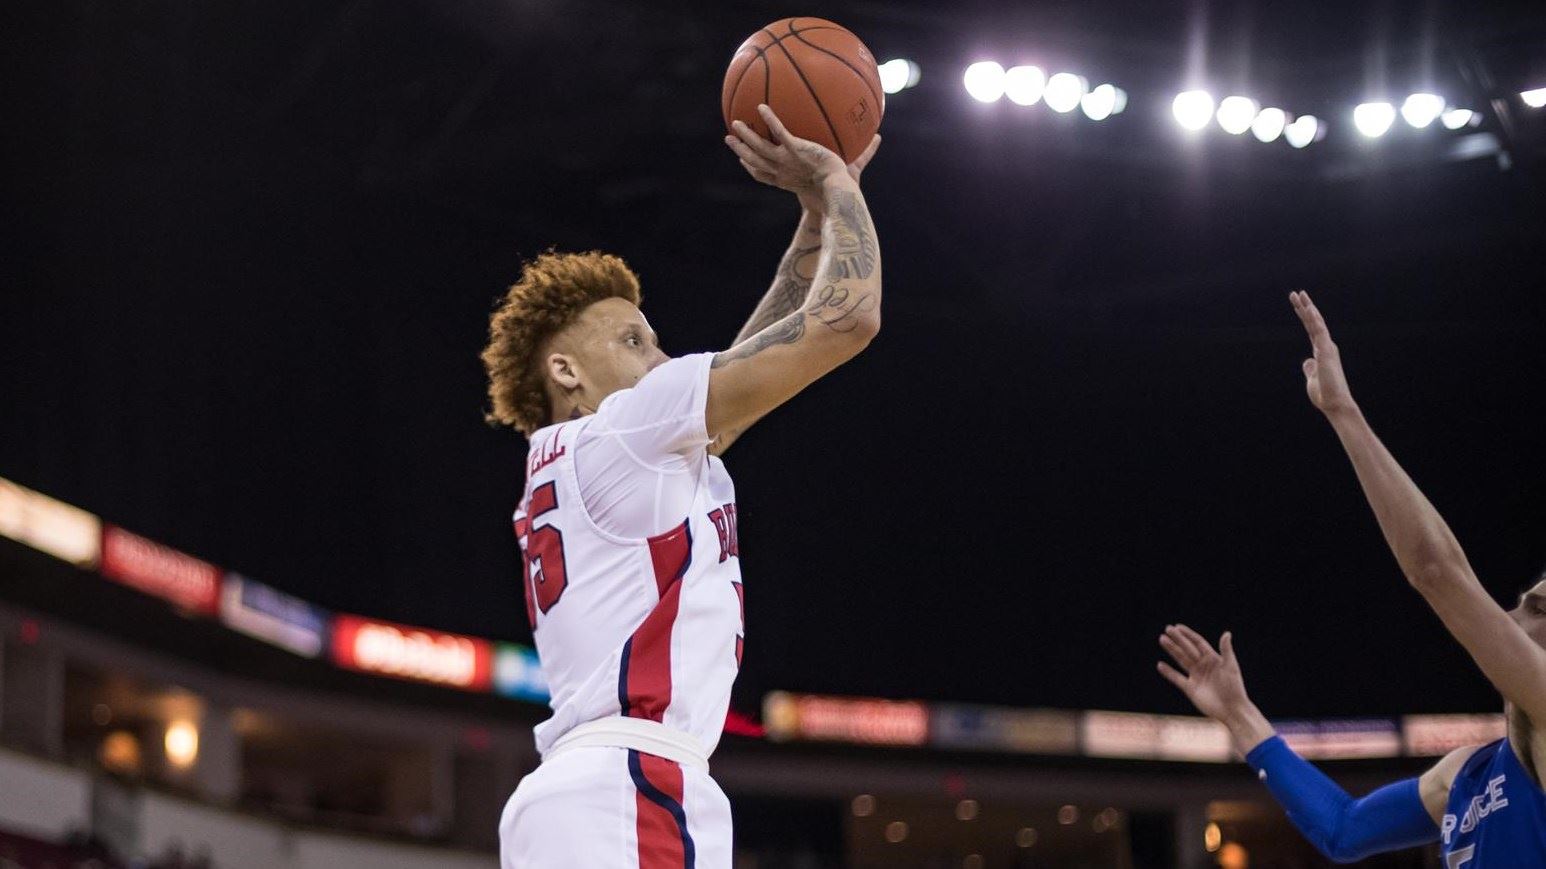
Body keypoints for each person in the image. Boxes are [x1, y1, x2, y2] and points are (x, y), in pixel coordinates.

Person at [482, 104, 881, 868]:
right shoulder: (627, 429)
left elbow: (749, 368)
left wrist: (811, 220)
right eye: (634, 340)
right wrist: (838, 185)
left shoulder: (584, 456)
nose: (660, 357)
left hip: (578, 792)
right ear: (565, 370)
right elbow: (847, 322)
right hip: (630, 787)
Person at [1156, 291, 1546, 866]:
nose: (1512, 614)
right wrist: (1240, 714)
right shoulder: (1469, 773)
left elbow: (1437, 571)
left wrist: (1344, 413)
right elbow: (1344, 829)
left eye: (1538, 608)